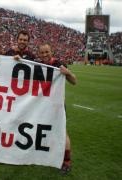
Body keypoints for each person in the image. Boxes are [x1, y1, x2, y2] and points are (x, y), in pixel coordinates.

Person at [38, 43, 76, 174]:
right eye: (42, 52)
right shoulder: (38, 65)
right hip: (42, 105)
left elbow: (74, 81)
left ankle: (66, 162)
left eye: (46, 52)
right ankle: (47, 155)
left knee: (62, 132)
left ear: (51, 51)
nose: (44, 55)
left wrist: (68, 72)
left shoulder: (58, 64)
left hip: (57, 105)